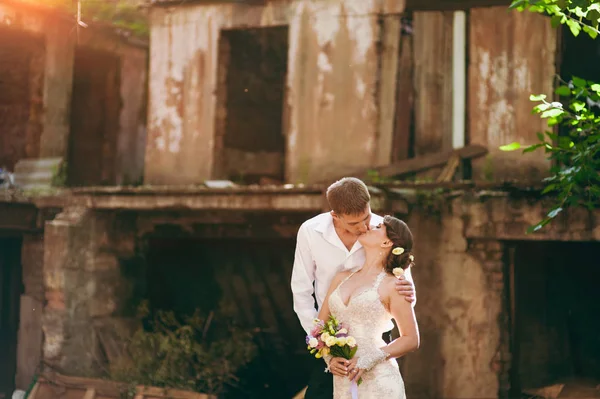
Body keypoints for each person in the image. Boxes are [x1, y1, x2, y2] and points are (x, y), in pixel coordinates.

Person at [291, 177, 416, 399]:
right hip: (331, 344)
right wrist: (325, 347)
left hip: (375, 343)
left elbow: (402, 286)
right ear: (335, 216)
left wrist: (409, 294)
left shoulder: (384, 229)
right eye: (354, 224)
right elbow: (301, 293)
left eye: (367, 218)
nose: (364, 227)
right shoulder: (311, 232)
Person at [317, 214, 419, 398]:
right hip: (343, 380)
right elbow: (320, 326)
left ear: (388, 243)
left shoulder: (394, 285)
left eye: (379, 227)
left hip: (379, 380)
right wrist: (330, 358)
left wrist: (369, 359)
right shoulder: (341, 277)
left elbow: (411, 339)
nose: (370, 226)